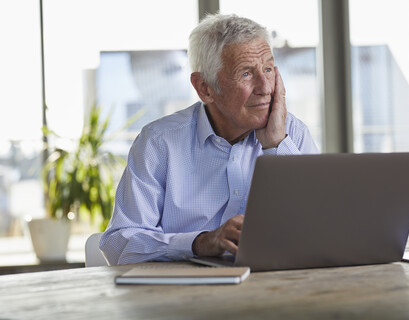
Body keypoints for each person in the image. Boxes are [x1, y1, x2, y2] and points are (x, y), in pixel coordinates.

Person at [100, 13, 318, 265]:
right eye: (246, 74)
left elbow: (320, 230)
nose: (266, 87)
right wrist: (199, 243)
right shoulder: (158, 143)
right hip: (182, 295)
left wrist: (276, 146)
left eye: (268, 69)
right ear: (205, 87)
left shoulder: (294, 134)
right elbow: (120, 243)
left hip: (273, 291)